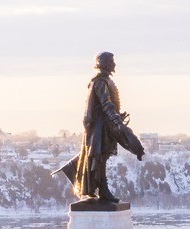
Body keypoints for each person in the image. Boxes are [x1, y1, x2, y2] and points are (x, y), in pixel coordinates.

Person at [56, 52, 144, 203]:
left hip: (103, 126)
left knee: (101, 158)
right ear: (104, 63)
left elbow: (108, 105)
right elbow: (106, 104)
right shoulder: (100, 82)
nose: (114, 64)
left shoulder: (103, 81)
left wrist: (116, 116)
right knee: (99, 158)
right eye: (112, 61)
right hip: (100, 128)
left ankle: (100, 189)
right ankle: (102, 190)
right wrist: (117, 120)